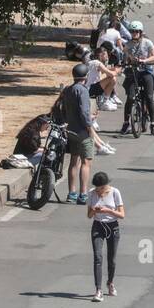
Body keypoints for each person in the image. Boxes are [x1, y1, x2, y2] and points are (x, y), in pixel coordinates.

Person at [60, 63, 96, 204]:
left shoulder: (68, 90)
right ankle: (83, 194)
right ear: (85, 76)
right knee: (86, 162)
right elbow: (84, 111)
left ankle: (71, 193)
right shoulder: (83, 90)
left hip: (71, 130)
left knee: (74, 162)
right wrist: (89, 126)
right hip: (82, 131)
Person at [86, 171, 124, 302]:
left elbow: (122, 215)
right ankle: (98, 290)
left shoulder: (115, 192)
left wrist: (107, 210)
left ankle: (110, 282)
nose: (97, 190)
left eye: (100, 188)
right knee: (98, 257)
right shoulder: (91, 193)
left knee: (111, 259)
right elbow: (89, 216)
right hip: (98, 226)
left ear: (105, 186)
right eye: (96, 188)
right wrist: (94, 210)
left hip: (113, 227)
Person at [120, 21, 154, 138]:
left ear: (140, 32)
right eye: (132, 31)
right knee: (130, 97)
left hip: (146, 72)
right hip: (133, 73)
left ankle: (153, 123)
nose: (134, 33)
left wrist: (145, 61)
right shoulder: (127, 45)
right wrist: (125, 62)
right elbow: (125, 58)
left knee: (149, 97)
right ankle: (126, 122)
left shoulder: (147, 43)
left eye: (136, 31)